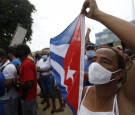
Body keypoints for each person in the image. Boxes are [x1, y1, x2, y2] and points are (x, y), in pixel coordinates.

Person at [79, 0, 135, 114]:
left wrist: (98, 14)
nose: (95, 65)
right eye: (94, 60)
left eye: (105, 62)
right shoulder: (85, 92)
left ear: (119, 73)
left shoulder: (126, 99)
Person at [15, 44, 37, 115]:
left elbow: (29, 84)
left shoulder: (26, 63)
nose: (16, 51)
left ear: (22, 51)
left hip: (28, 97)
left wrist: (16, 82)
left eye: (17, 49)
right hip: (28, 96)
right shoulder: (24, 62)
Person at [0, 49, 18, 115]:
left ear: (2, 58)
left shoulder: (9, 67)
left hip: (9, 98)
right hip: (5, 97)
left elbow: (8, 85)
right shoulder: (3, 65)